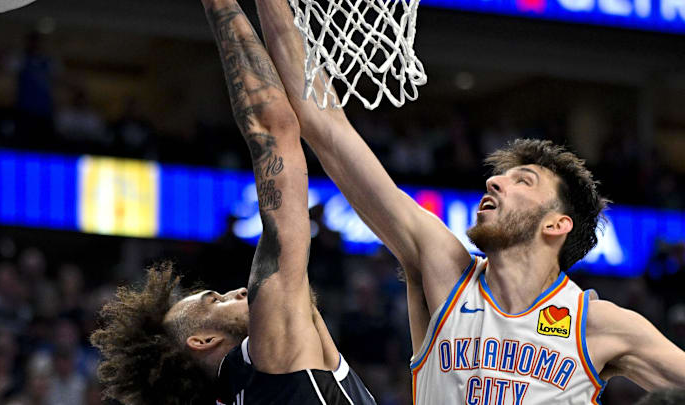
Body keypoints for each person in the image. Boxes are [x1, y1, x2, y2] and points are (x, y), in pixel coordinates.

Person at [252, 0, 685, 403]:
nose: (495, 182)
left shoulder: (599, 325)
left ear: (557, 224)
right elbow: (325, 127)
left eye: (523, 181)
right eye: (500, 176)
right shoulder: (445, 272)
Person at [89, 0, 377, 404]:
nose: (237, 292)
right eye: (216, 300)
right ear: (203, 340)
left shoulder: (254, 382)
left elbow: (295, 126)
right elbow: (272, 131)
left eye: (218, 294)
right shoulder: (271, 359)